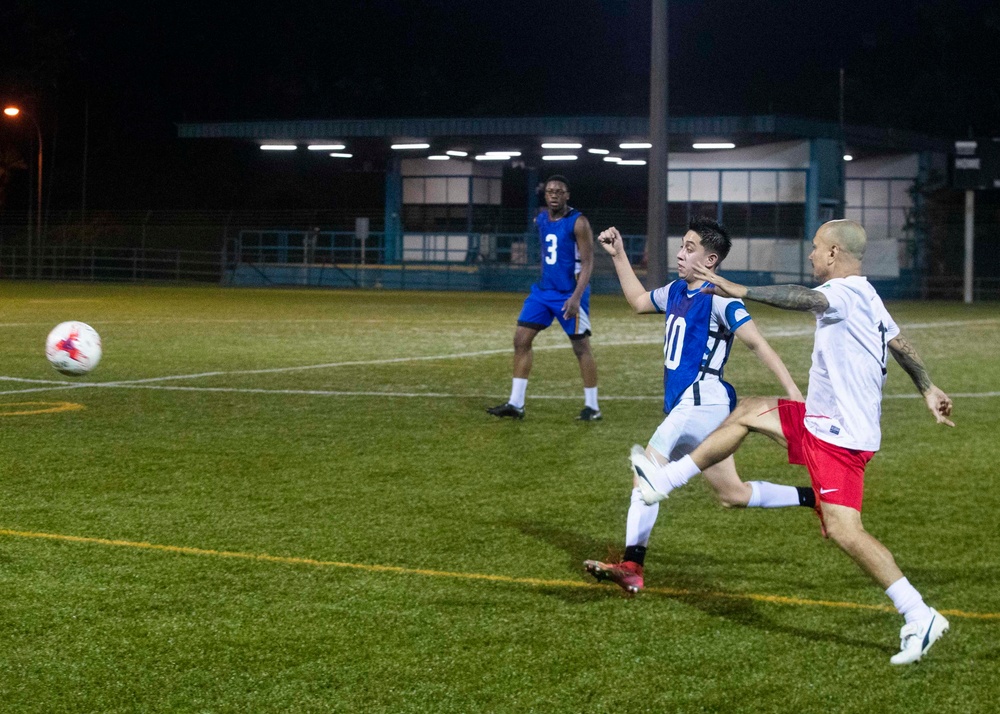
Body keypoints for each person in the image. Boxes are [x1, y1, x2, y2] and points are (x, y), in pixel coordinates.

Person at [631, 219, 954, 665]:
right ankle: (664, 482)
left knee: (845, 531)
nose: (811, 255)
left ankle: (919, 615)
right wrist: (928, 387)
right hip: (820, 421)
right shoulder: (867, 291)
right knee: (745, 410)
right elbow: (898, 342)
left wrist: (738, 288)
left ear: (835, 253)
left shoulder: (841, 293)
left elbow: (806, 298)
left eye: (817, 248)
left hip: (840, 437)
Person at [584, 218, 811, 595]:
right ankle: (812, 497)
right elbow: (640, 302)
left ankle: (632, 566)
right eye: (682, 246)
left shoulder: (721, 298)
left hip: (702, 400)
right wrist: (620, 255)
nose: (680, 253)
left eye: (689, 248)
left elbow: (758, 344)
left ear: (710, 258)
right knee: (731, 495)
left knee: (647, 475)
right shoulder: (676, 290)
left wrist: (792, 391)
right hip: (696, 406)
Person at [487, 175, 601, 421]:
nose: (554, 195)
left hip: (569, 294)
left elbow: (589, 262)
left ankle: (593, 408)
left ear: (567, 195)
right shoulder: (541, 220)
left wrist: (576, 297)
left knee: (581, 347)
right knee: (521, 339)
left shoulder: (578, 222)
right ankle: (516, 404)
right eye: (550, 191)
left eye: (559, 191)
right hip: (543, 292)